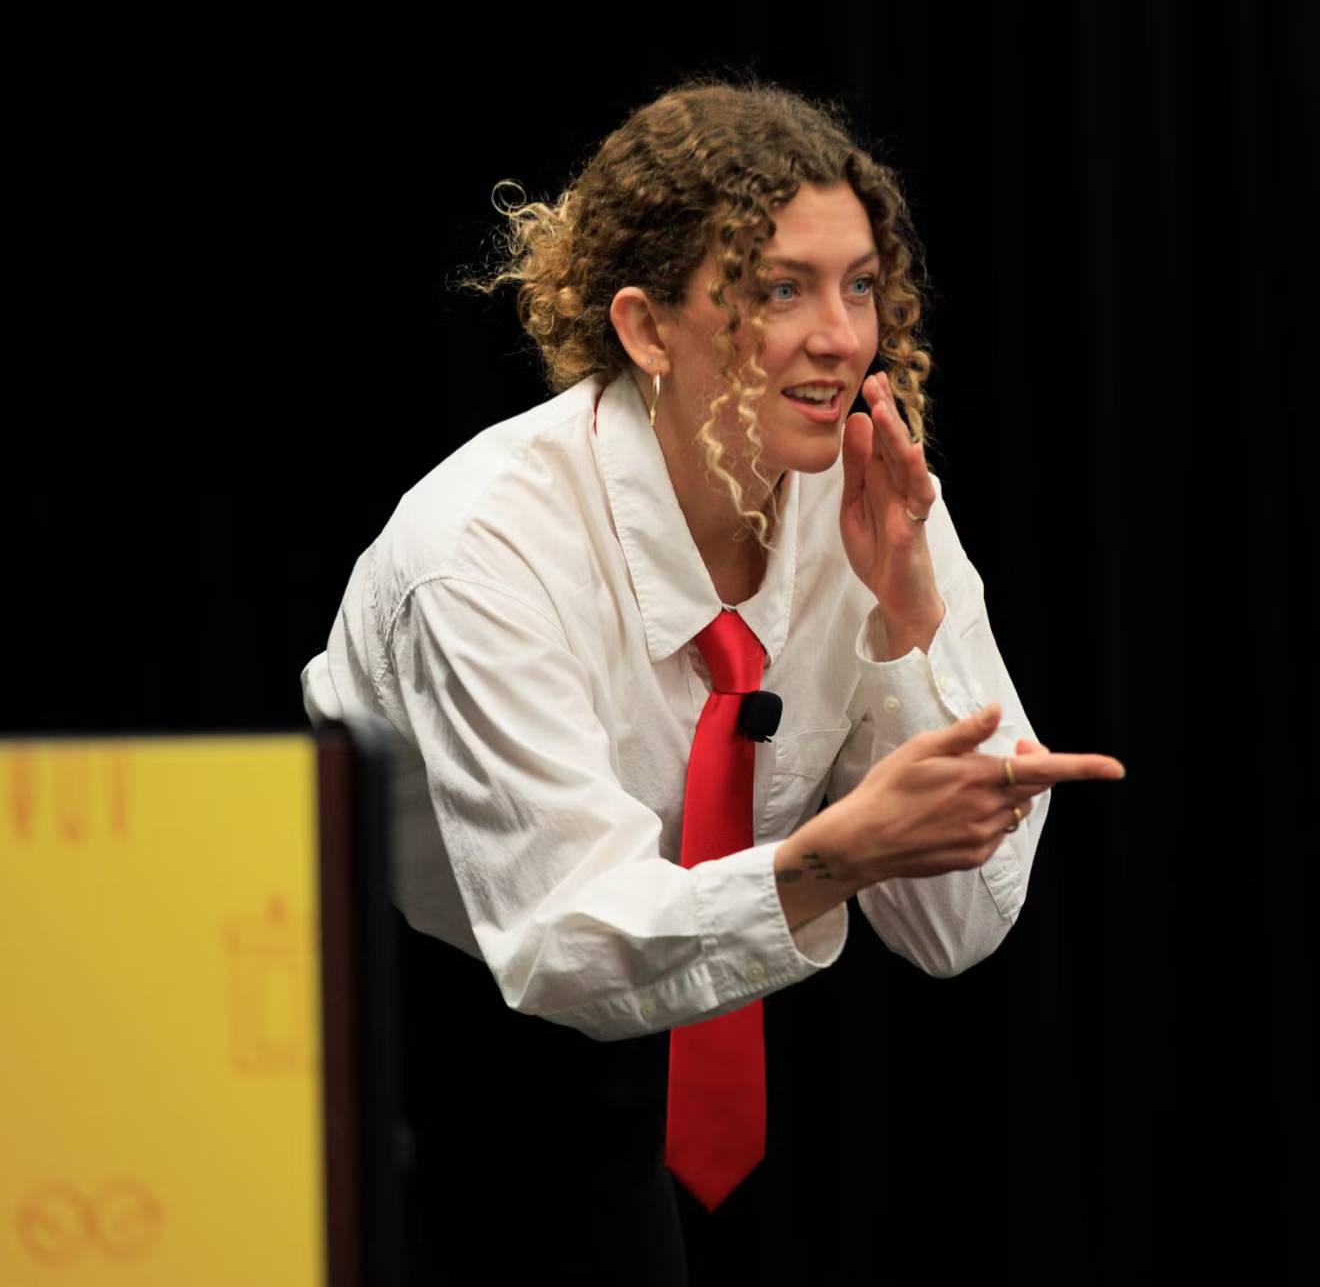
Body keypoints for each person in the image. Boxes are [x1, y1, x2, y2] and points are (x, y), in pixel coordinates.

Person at [302, 80, 1125, 1285]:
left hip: (715, 1001)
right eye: (780, 289)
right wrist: (831, 860)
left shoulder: (869, 498)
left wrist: (910, 620)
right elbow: (560, 940)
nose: (841, 337)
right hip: (420, 1039)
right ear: (647, 329)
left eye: (860, 286)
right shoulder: (481, 551)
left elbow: (956, 931)